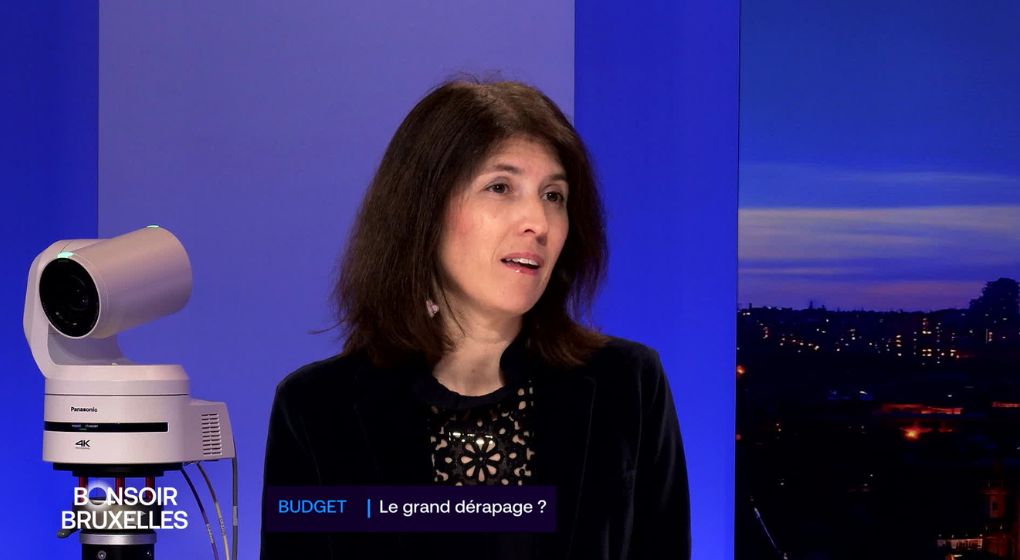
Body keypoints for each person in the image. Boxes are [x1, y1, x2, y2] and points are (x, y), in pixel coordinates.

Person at [261, 79, 690, 559]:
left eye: (554, 195)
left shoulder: (627, 384)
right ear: (423, 210)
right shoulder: (317, 409)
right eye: (500, 187)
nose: (538, 223)